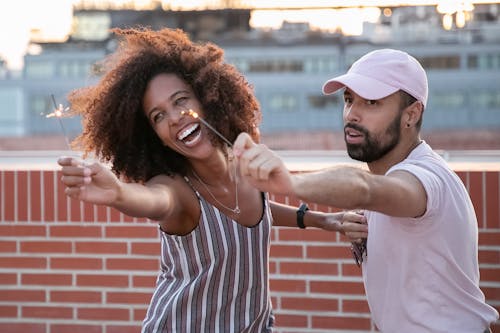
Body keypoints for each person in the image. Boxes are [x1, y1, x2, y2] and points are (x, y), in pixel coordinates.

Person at [57, 28, 367, 333]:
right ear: (156, 138)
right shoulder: (177, 191)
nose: (175, 117)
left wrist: (323, 220)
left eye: (180, 100)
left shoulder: (243, 163)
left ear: (207, 97)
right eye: (159, 116)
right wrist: (119, 194)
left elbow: (248, 212)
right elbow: (154, 202)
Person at [233, 48, 499, 333]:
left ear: (411, 114)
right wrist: (327, 220)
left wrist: (291, 184)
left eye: (372, 102)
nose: (352, 114)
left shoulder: (427, 177)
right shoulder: (392, 176)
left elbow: (366, 189)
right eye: (349, 100)